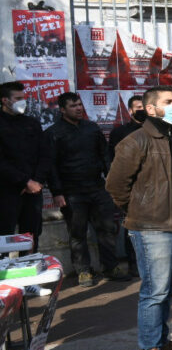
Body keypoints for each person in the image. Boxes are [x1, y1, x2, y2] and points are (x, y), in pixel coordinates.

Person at [106, 86, 172, 350]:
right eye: (169, 102)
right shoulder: (136, 141)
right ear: (150, 109)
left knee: (169, 289)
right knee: (154, 291)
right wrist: (140, 210)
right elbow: (115, 185)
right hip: (152, 226)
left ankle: (161, 341)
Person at [45, 92, 126, 284]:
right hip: (72, 192)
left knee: (106, 228)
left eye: (79, 105)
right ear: (63, 110)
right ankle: (83, 271)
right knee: (77, 233)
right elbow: (51, 166)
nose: (78, 108)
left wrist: (111, 179)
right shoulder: (53, 133)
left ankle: (111, 266)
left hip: (97, 188)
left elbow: (105, 155)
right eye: (73, 106)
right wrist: (57, 192)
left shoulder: (92, 128)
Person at [0, 82, 51, 252]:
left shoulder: (31, 123)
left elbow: (45, 155)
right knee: (4, 237)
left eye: (24, 98)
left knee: (31, 236)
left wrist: (36, 181)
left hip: (33, 192)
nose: (23, 101)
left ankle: (30, 273)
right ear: (5, 100)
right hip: (7, 191)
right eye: (18, 98)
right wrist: (24, 182)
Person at [109, 94, 148, 275]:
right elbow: (113, 162)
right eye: (138, 108)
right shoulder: (120, 133)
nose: (142, 111)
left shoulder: (157, 130)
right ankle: (134, 264)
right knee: (132, 227)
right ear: (130, 111)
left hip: (154, 186)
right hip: (132, 188)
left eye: (145, 107)